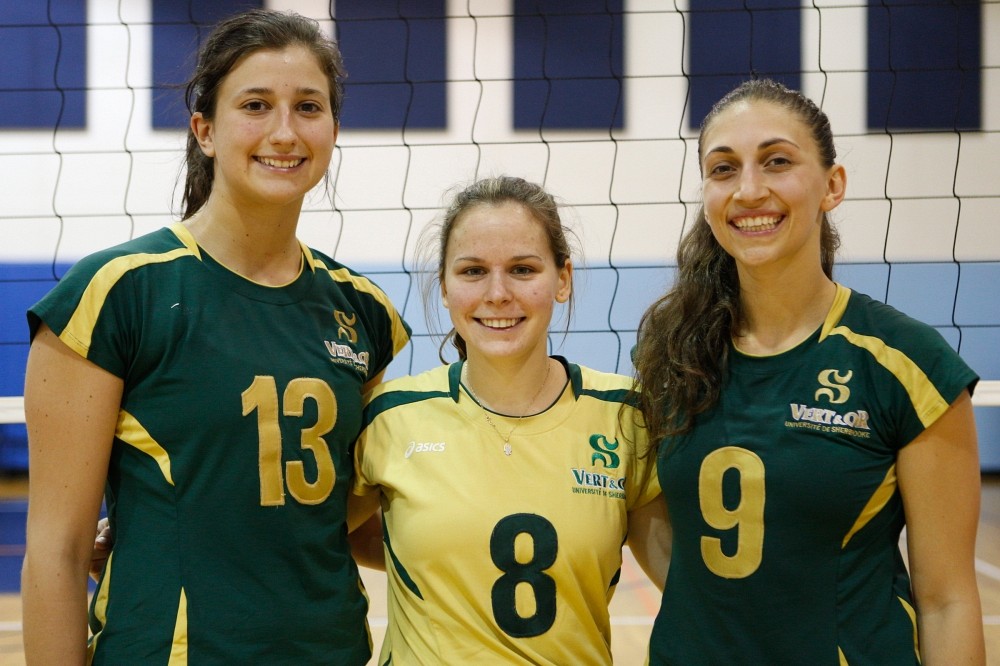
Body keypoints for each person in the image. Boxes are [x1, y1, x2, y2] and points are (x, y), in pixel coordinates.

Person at [21, 9, 409, 665]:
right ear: (205, 129)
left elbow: (343, 516)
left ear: (333, 129)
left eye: (308, 107)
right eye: (256, 105)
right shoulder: (117, 294)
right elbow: (57, 550)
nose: (284, 131)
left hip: (330, 651)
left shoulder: (363, 310)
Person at [632, 78, 985, 664]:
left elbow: (948, 600)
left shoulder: (906, 363)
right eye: (723, 169)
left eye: (777, 161)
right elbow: (665, 538)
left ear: (833, 185)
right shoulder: (674, 358)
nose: (749, 189)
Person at [349, 175, 669, 664]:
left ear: (563, 279)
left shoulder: (627, 416)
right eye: (473, 271)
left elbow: (685, 578)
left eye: (522, 269)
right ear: (444, 287)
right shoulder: (391, 416)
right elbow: (320, 533)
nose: (497, 294)